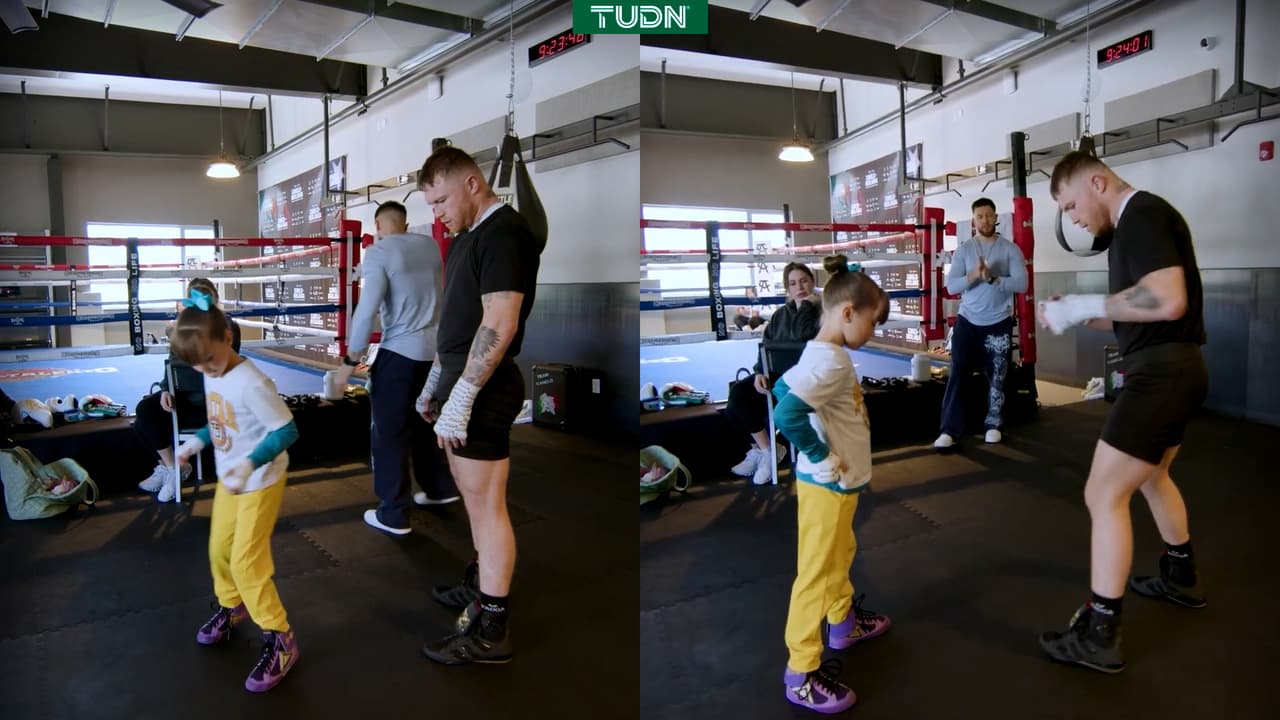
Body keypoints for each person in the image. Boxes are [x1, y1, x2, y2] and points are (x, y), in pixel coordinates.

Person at [1036, 151, 1208, 674]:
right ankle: (1180, 574)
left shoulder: (1142, 215)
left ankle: (1101, 634)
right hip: (1180, 369)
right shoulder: (1137, 225)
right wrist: (1075, 313)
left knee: (1103, 494)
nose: (1073, 219)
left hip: (1161, 378)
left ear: (1096, 183)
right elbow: (1139, 313)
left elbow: (1168, 300)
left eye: (1071, 206)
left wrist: (1085, 304)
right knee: (1153, 475)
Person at [413, 145, 542, 664]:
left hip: (485, 388)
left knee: (487, 507)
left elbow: (499, 322)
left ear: (472, 184)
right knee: (473, 500)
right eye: (431, 204)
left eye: (441, 200)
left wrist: (464, 394)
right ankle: (480, 582)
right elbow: (459, 319)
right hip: (460, 380)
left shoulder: (505, 233)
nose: (437, 213)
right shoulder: (467, 237)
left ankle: (492, 629)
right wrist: (437, 381)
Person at [772, 256, 892, 714]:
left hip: (837, 487)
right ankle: (801, 671)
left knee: (839, 554)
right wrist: (821, 454)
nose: (873, 332)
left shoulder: (820, 352)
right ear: (847, 313)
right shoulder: (830, 362)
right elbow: (786, 413)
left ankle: (842, 623)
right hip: (827, 485)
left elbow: (782, 388)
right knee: (817, 574)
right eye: (872, 322)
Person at [170, 288, 301, 693]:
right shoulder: (214, 371)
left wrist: (249, 463)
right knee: (218, 550)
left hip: (260, 481)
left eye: (210, 360)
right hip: (231, 478)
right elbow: (222, 420)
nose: (206, 371)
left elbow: (287, 431)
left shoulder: (252, 383)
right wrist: (196, 441)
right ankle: (232, 606)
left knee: (246, 562)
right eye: (198, 366)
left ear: (228, 337)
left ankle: (281, 637)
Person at [331, 200, 458, 536]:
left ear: (377, 226)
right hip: (433, 356)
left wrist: (349, 360)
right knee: (424, 422)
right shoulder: (429, 246)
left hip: (399, 353)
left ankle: (393, 513)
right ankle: (438, 488)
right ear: (405, 223)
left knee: (388, 434)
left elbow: (367, 309)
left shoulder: (379, 252)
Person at [134, 278, 241, 501]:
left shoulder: (228, 328)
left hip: (213, 402)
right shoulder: (182, 328)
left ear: (215, 299)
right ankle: (173, 468)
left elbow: (226, 366)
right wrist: (165, 389)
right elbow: (171, 363)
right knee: (144, 411)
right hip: (182, 398)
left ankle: (174, 470)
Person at [934, 198, 1028, 450]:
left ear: (995, 217)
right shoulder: (965, 250)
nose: (985, 220)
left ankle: (993, 424)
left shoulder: (1010, 249)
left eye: (989, 215)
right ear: (973, 220)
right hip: (967, 321)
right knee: (958, 374)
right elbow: (951, 287)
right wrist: (975, 275)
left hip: (998, 321)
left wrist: (994, 279)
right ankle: (950, 430)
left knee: (997, 376)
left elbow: (1022, 284)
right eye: (980, 216)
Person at [726, 262, 822, 485]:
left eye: (804, 281)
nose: (800, 287)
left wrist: (806, 306)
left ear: (812, 282)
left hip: (803, 381)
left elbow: (803, 335)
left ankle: (767, 453)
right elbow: (766, 344)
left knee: (761, 400)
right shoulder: (780, 315)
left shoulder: (821, 313)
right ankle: (767, 451)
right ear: (787, 289)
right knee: (738, 395)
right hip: (775, 376)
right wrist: (760, 371)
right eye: (793, 283)